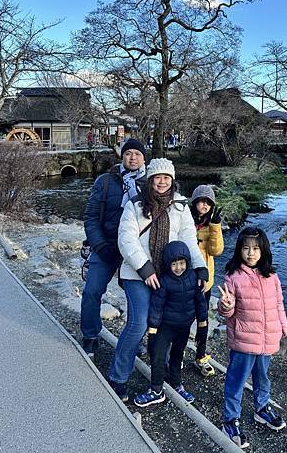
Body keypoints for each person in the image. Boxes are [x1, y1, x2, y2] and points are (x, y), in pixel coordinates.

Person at [108, 157, 208, 402]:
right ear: (150, 179)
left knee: (164, 324)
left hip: (167, 276)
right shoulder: (135, 205)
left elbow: (188, 241)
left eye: (166, 177)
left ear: (172, 180)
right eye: (157, 177)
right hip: (137, 274)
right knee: (139, 324)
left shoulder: (181, 207)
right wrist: (145, 268)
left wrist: (200, 267)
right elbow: (126, 239)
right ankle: (118, 376)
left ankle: (160, 373)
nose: (162, 182)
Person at [218, 226, 287, 449]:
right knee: (236, 380)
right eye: (246, 248)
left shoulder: (272, 276)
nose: (251, 253)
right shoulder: (233, 276)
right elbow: (226, 312)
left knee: (263, 377)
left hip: (267, 339)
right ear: (239, 250)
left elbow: (278, 304)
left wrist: (283, 328)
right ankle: (230, 419)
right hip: (244, 340)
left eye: (256, 248)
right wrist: (226, 305)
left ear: (263, 250)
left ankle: (262, 407)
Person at [81, 139, 147, 358]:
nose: (133, 158)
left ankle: (134, 339)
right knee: (92, 292)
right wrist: (99, 245)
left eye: (137, 154)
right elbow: (90, 216)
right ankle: (90, 334)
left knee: (136, 300)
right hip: (106, 246)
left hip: (136, 250)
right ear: (122, 156)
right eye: (129, 153)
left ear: (144, 158)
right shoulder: (106, 181)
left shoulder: (150, 183)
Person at [134, 241, 207, 407]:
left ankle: (176, 384)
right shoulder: (164, 281)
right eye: (174, 264)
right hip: (165, 326)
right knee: (158, 356)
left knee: (177, 355)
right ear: (168, 264)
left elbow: (200, 302)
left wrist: (203, 323)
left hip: (184, 326)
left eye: (182, 263)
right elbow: (156, 305)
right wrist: (152, 329)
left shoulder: (193, 279)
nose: (178, 268)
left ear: (187, 262)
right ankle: (156, 389)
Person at [190, 184, 224, 376]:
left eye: (209, 203)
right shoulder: (185, 220)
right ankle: (175, 353)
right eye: (202, 201)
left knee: (203, 320)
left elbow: (217, 251)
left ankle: (200, 355)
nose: (205, 205)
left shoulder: (212, 225)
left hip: (204, 283)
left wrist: (216, 227)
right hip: (185, 280)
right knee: (182, 319)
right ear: (195, 202)